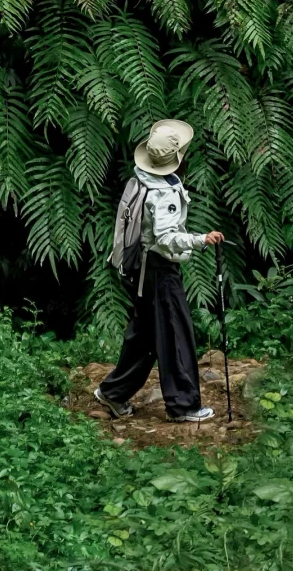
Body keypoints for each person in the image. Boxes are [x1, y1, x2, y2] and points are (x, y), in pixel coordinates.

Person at [94, 119, 224, 423]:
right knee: (176, 334)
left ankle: (112, 394)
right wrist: (200, 240)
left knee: (144, 336)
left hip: (140, 270)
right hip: (160, 272)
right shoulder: (162, 193)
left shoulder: (140, 178)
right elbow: (165, 239)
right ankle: (183, 406)